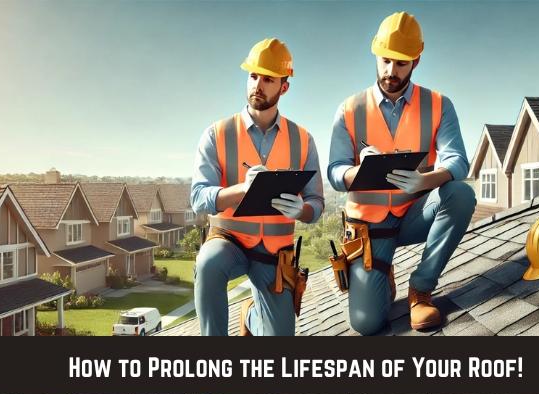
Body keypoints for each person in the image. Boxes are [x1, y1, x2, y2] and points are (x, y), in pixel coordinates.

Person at [327, 11, 475, 335]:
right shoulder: (349, 110)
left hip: (414, 214)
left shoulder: (439, 105)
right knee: (367, 324)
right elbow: (335, 172)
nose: (391, 71)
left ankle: (420, 289)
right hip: (369, 228)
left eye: (401, 63)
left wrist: (426, 180)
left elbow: (459, 162)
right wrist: (359, 172)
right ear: (375, 54)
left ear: (416, 61)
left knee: (461, 194)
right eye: (385, 61)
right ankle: (382, 271)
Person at [191, 37, 324, 341]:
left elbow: (316, 203)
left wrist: (302, 210)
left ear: (284, 87)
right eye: (253, 76)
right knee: (208, 264)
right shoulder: (216, 134)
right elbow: (199, 197)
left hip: (275, 253)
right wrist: (241, 190)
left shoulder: (303, 140)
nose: (257, 85)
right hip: (229, 242)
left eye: (267, 79)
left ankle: (250, 315)